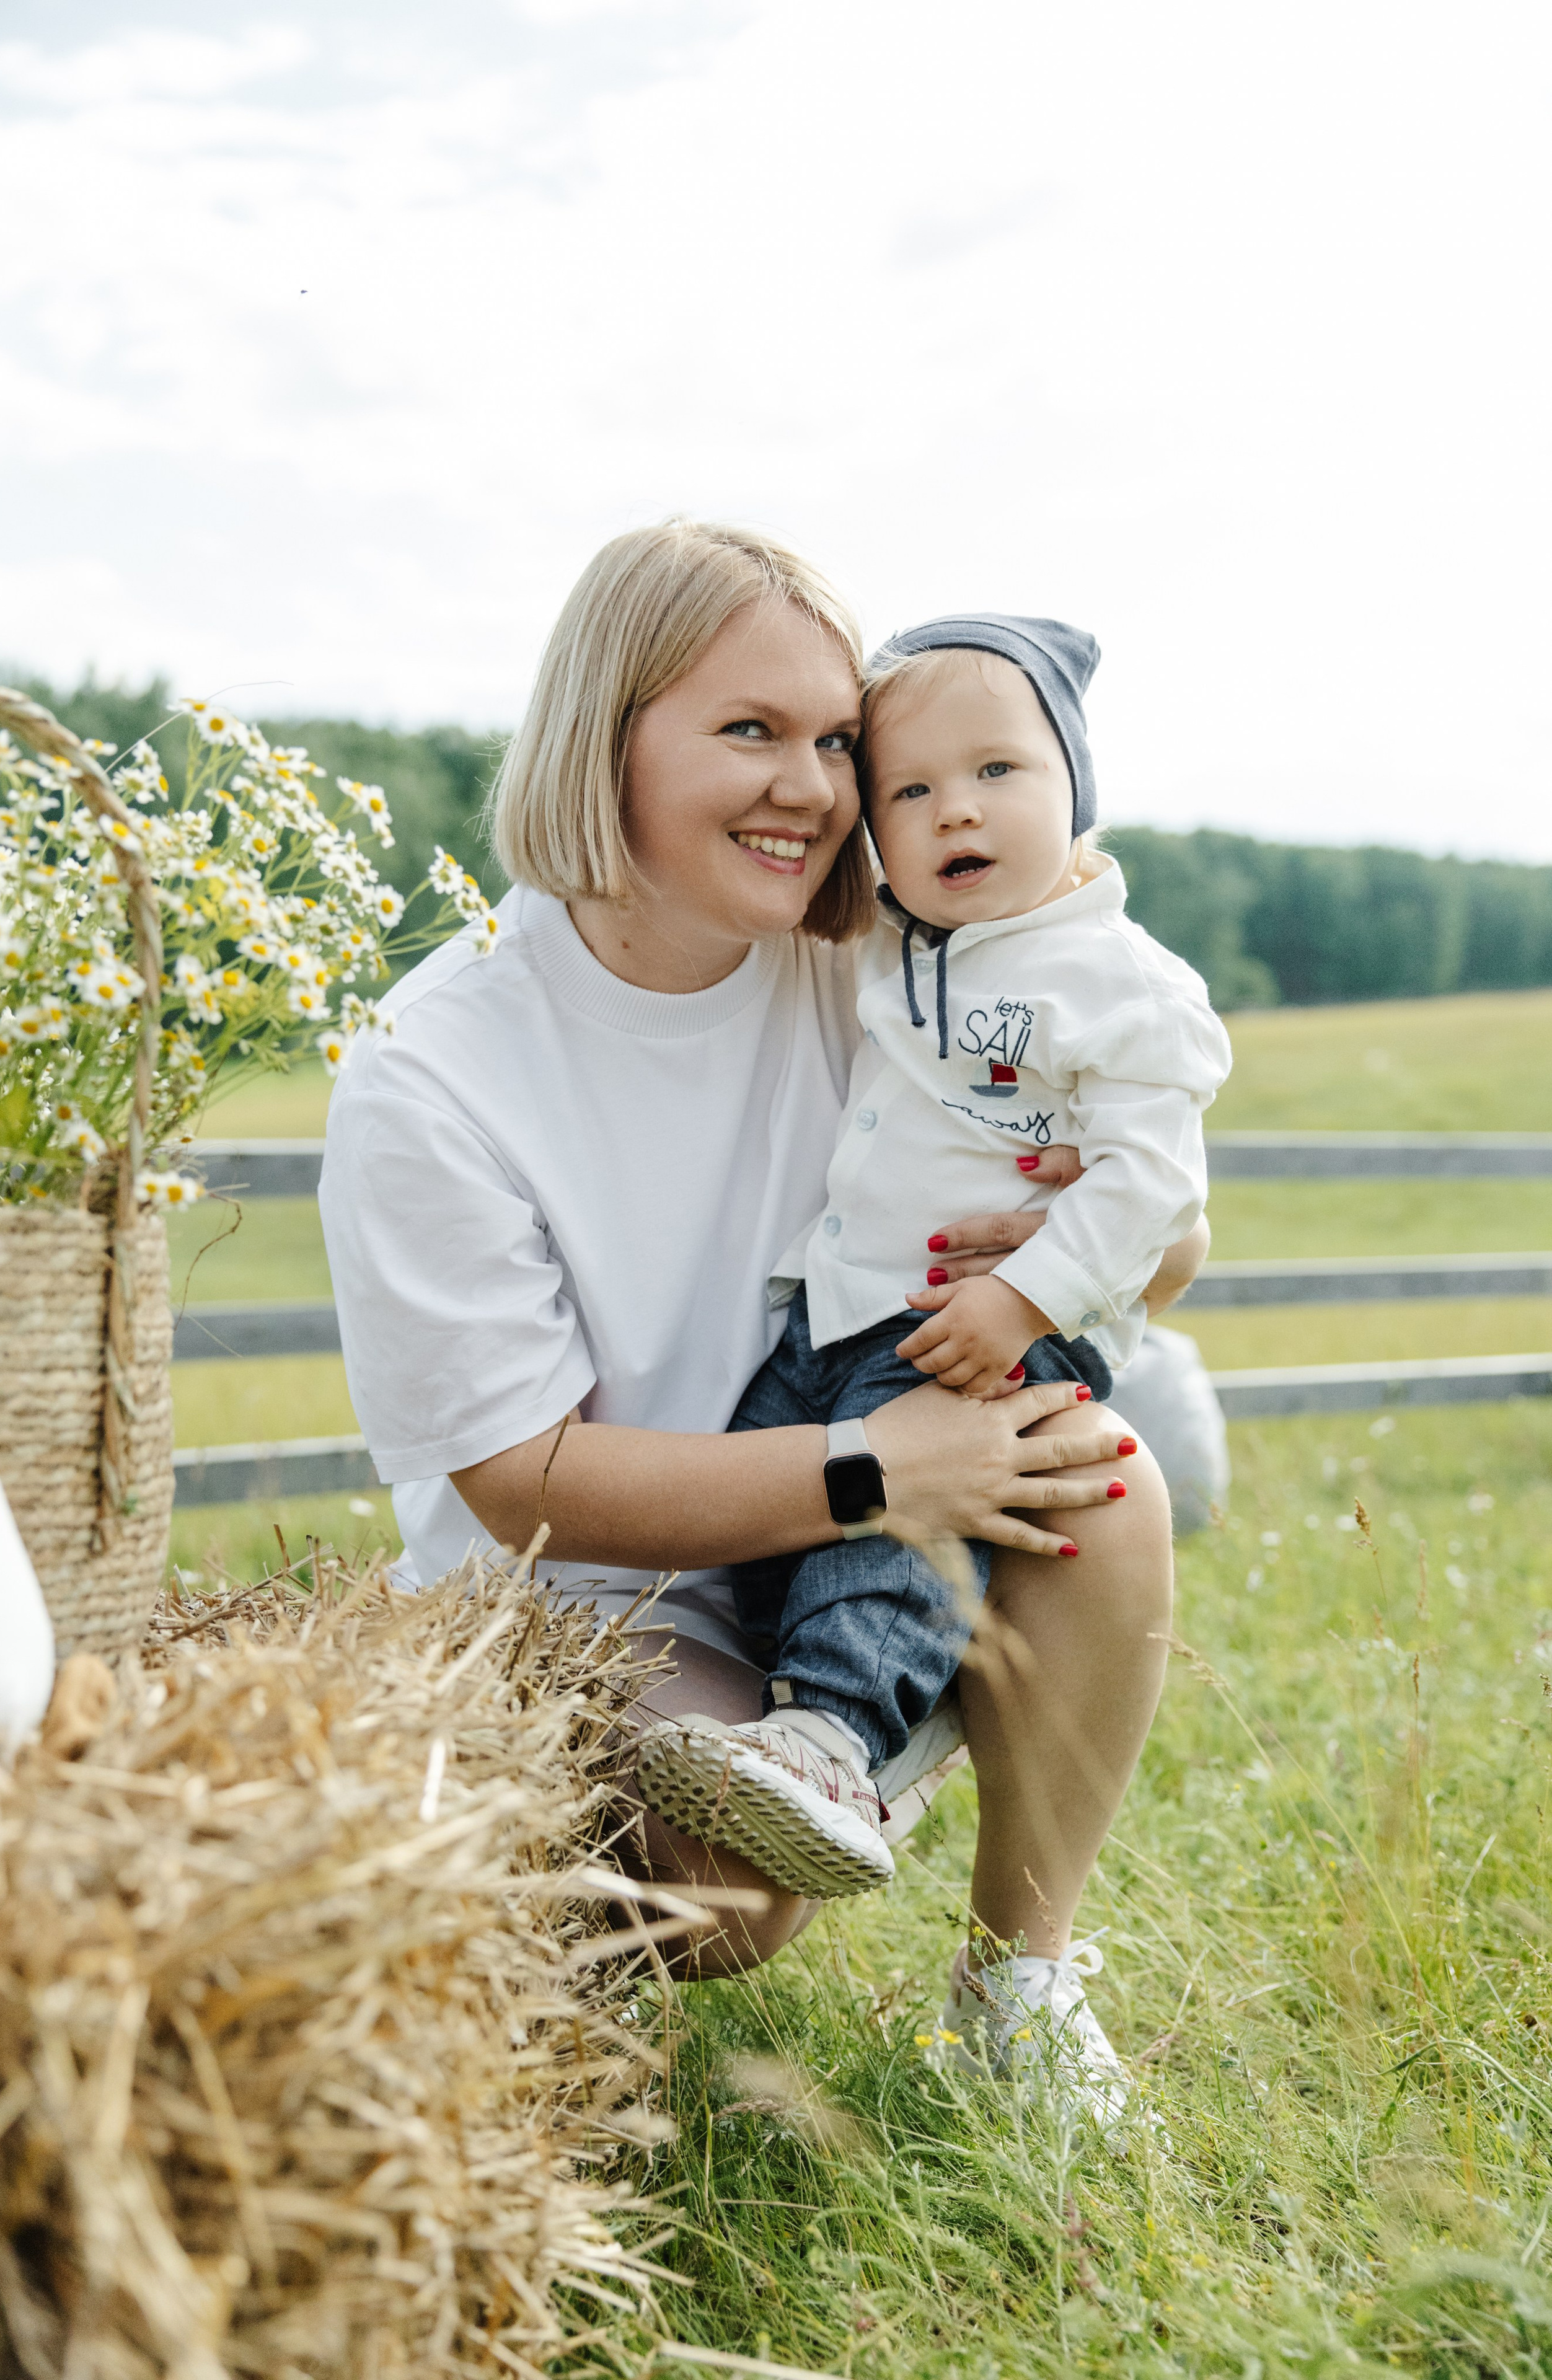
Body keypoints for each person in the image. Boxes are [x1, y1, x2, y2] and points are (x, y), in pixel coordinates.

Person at [319, 524, 1204, 2123]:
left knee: (1102, 1473)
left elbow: (1144, 1217)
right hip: (592, 1585)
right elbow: (518, 1484)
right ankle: (518, 1929)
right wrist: (878, 1471)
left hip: (842, 1499)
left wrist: (1132, 1230)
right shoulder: (434, 1066)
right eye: (747, 732)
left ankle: (1017, 1986)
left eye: (835, 742)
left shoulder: (879, 971)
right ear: (606, 735)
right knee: (735, 1887)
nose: (809, 786)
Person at [633, 616, 1232, 1993]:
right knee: (771, 1493)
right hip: (845, 1310)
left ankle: (831, 1743)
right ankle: (877, 1715)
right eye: (908, 791)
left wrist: (1026, 1297)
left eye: (1000, 772)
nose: (954, 806)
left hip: (1001, 1325)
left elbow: (1149, 1184)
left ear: (1074, 789)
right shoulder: (896, 944)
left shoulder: (1122, 983)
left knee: (897, 1514)